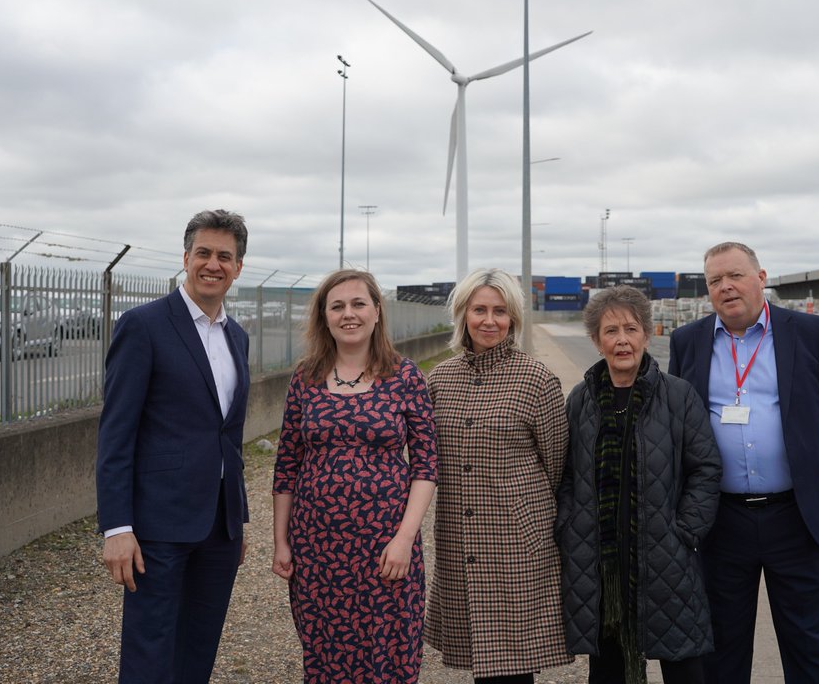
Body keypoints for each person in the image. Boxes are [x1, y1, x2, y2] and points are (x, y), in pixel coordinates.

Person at [668, 242, 819, 684]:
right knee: (721, 647)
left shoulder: (808, 332)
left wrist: (803, 460)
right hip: (721, 522)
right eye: (715, 280)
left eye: (735, 275)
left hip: (798, 518)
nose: (726, 287)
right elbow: (680, 422)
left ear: (761, 277)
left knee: (807, 643)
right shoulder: (688, 341)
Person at [96, 208, 251, 683]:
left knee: (198, 649)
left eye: (225, 256)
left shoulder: (237, 337)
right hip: (158, 525)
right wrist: (116, 526)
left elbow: (229, 436)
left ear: (238, 267)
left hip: (219, 527)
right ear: (186, 258)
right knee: (150, 652)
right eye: (203, 252)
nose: (213, 264)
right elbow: (116, 434)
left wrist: (237, 518)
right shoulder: (143, 326)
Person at [272, 269, 438, 683]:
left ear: (377, 312)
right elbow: (286, 466)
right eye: (338, 306)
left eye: (359, 303)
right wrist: (280, 541)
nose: (349, 314)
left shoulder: (406, 377)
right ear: (324, 316)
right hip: (318, 550)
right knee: (325, 657)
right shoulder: (305, 378)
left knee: (388, 656)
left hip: (385, 549)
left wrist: (404, 540)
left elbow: (425, 465)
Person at [557, 285, 723, 684]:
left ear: (647, 335)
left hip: (665, 557)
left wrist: (685, 530)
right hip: (600, 564)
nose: (622, 340)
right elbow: (563, 474)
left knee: (684, 666)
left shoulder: (678, 396)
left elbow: (706, 468)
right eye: (610, 331)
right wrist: (567, 525)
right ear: (597, 342)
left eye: (630, 329)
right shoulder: (581, 399)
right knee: (608, 669)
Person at [425, 269, 573, 684]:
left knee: (511, 664)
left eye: (500, 311)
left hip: (517, 544)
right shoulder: (439, 379)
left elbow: (558, 464)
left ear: (513, 319)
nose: (489, 321)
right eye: (479, 310)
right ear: (462, 314)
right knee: (482, 659)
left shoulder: (537, 379)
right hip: (461, 538)